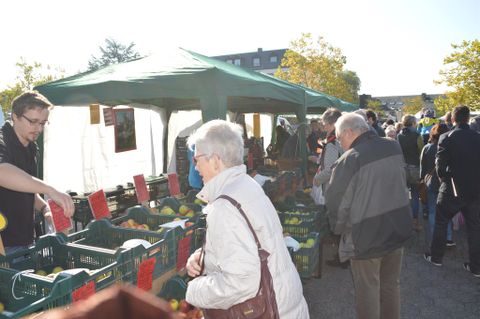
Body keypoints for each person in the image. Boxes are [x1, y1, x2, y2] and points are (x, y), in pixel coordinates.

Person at [185, 120, 309, 318]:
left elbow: (241, 281)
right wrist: (206, 254)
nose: (196, 167)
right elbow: (250, 241)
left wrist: (195, 290)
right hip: (285, 305)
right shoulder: (247, 186)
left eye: (196, 159)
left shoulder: (225, 206)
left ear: (215, 161)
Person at [325, 113, 412, 319]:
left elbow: (337, 204)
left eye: (339, 138)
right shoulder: (393, 146)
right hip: (397, 228)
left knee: (368, 291)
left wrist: (338, 231)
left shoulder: (349, 159)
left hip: (366, 236)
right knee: (391, 286)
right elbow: (402, 181)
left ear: (349, 132)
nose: (340, 143)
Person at [0, 91, 74, 255]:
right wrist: (49, 189)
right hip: (4, 245)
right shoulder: (2, 140)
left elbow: (28, 189)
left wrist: (44, 207)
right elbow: (2, 171)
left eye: (43, 123)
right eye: (33, 122)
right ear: (15, 116)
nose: (39, 128)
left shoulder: (32, 148)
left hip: (26, 239)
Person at [424, 106, 480, 278]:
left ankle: (436, 257)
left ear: (453, 119)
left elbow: (440, 167)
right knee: (474, 228)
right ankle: (476, 267)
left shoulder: (446, 137)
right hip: (474, 190)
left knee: (441, 222)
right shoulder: (477, 137)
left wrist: (444, 180)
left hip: (452, 188)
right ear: (467, 118)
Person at [313, 108, 345, 267]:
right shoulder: (341, 139)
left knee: (338, 224)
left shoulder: (333, 142)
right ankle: (344, 256)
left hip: (334, 188)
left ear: (333, 124)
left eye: (325, 124)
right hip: (342, 186)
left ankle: (342, 258)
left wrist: (317, 179)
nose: (323, 127)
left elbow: (331, 168)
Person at [420, 124, 454, 246]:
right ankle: (448, 237)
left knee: (433, 212)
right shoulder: (451, 147)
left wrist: (423, 179)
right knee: (447, 211)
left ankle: (435, 238)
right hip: (447, 183)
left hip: (432, 183)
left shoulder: (427, 148)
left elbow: (422, 169)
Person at [397, 114, 424, 231]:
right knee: (414, 196)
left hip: (402, 168)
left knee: (402, 195)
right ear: (413, 123)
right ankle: (415, 222)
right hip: (415, 168)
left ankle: (402, 221)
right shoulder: (417, 135)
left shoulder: (399, 136)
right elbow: (422, 152)